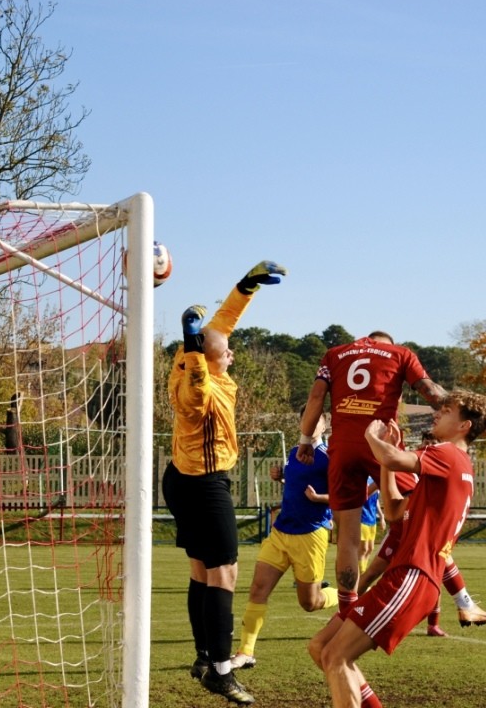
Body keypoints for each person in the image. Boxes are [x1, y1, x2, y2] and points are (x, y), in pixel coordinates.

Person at [308, 389, 486, 708]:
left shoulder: (448, 453)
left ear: (464, 426)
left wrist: (371, 436)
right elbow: (394, 511)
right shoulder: (453, 465)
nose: (438, 413)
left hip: (413, 576)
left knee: (337, 657)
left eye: (447, 410)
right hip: (405, 575)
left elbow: (392, 458)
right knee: (321, 648)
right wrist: (387, 460)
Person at [162, 260, 286, 706]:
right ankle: (219, 669)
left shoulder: (190, 364)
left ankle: (202, 657)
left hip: (181, 480)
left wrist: (245, 286)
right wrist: (193, 340)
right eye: (226, 351)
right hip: (204, 485)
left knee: (201, 570)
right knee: (225, 572)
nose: (231, 352)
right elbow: (197, 388)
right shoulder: (201, 387)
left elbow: (222, 326)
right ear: (208, 359)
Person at [297, 332, 447, 619]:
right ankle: (454, 595)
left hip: (342, 448)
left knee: (347, 538)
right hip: (380, 443)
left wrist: (305, 439)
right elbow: (430, 391)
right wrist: (463, 410)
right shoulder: (401, 354)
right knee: (427, 511)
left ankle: (346, 612)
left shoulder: (335, 354)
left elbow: (315, 397)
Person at [229, 410, 340, 671]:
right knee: (258, 589)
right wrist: (281, 477)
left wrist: (319, 499)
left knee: (309, 603)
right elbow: (296, 484)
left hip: (310, 535)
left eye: (316, 419)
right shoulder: (294, 452)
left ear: (325, 425)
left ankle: (346, 595)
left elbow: (342, 495)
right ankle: (245, 652)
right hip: (280, 532)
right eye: (306, 418)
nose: (310, 423)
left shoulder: (329, 457)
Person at [357, 430, 486, 636]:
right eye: (427, 442)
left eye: (434, 442)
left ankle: (436, 622)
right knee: (374, 573)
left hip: (420, 524)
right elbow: (382, 489)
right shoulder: (407, 460)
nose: (430, 446)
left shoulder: (435, 463)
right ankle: (347, 608)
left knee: (435, 567)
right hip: (403, 527)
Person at [359, 480, 382, 574]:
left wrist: (381, 516)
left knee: (370, 548)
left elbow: (376, 501)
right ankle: (361, 573)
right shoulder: (363, 478)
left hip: (372, 520)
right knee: (363, 549)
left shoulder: (374, 479)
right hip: (362, 518)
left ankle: (363, 570)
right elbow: (362, 496)